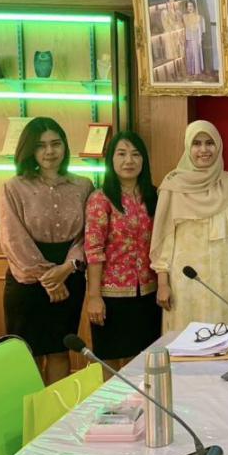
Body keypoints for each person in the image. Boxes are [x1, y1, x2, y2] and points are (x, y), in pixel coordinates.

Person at [0, 117, 93, 384]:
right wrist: (49, 278)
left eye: (55, 143)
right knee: (27, 355)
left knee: (60, 349)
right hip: (26, 281)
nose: (50, 151)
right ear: (29, 150)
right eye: (41, 146)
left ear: (65, 146)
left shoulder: (83, 185)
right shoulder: (13, 187)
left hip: (70, 275)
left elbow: (87, 235)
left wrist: (66, 269)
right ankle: (29, 411)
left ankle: (56, 410)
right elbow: (13, 240)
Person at [150, 120, 228, 332]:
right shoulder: (173, 185)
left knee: (221, 334)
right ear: (187, 147)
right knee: (185, 335)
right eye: (196, 143)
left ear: (218, 146)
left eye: (210, 143)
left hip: (222, 277)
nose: (204, 150)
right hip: (184, 280)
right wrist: (163, 283)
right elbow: (163, 238)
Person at [84, 131, 160, 373]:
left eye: (135, 154)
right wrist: (94, 296)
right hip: (111, 295)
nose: (129, 160)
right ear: (111, 160)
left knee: (142, 363)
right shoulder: (100, 198)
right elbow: (94, 250)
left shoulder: (154, 195)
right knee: (110, 362)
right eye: (122, 154)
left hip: (148, 292)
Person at [182, 0, 205, 76]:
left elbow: (199, 30)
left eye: (191, 6)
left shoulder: (198, 17)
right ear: (186, 8)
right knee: (189, 55)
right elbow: (184, 28)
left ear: (194, 7)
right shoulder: (185, 17)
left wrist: (199, 40)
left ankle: (197, 72)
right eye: (188, 6)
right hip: (188, 38)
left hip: (195, 38)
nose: (190, 8)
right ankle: (190, 72)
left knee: (196, 55)